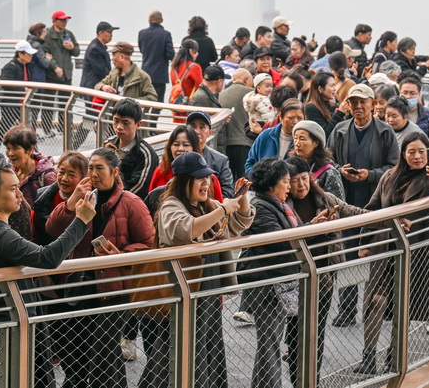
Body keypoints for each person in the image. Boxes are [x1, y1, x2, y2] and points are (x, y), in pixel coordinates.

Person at [0, 162, 97, 387]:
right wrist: (81, 220)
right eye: (12, 189)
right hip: (11, 328)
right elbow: (48, 258)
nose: (20, 195)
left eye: (18, 187)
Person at [46, 148, 155, 388]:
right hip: (80, 286)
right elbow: (52, 229)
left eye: (99, 168)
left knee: (103, 353)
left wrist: (121, 255)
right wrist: (72, 201)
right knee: (80, 354)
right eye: (90, 168)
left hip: (114, 290)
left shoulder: (131, 202)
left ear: (114, 172)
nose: (93, 174)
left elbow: (149, 243)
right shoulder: (84, 198)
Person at [144, 152, 254, 388]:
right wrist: (223, 210)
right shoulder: (171, 205)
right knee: (177, 342)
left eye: (207, 177)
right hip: (183, 290)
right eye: (199, 178)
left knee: (207, 340)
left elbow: (239, 223)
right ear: (184, 181)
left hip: (207, 290)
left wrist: (241, 198)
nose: (206, 182)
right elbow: (188, 229)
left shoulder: (207, 206)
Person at [356, 133, 429, 374]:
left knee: (404, 305)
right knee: (376, 301)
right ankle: (369, 357)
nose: (417, 156)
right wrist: (364, 242)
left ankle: (394, 356)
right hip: (385, 247)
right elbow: (372, 209)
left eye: (422, 151)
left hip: (416, 249)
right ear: (403, 154)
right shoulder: (389, 177)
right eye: (411, 152)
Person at [284, 157, 367, 386]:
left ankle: (313, 381)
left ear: (310, 177)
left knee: (317, 332)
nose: (300, 185)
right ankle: (298, 381)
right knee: (295, 332)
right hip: (295, 278)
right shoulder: (283, 204)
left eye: (304, 179)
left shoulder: (325, 198)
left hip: (323, 277)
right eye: (294, 181)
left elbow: (353, 212)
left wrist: (389, 219)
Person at [326, 83, 399, 327]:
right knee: (347, 254)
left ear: (373, 104)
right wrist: (340, 170)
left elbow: (394, 167)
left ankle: (379, 307)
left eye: (363, 102)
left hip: (375, 203)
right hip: (346, 202)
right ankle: (346, 310)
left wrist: (371, 175)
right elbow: (328, 162)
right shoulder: (339, 130)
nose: (358, 106)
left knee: (378, 256)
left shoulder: (385, 132)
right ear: (347, 105)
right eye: (353, 102)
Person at [237, 157, 298, 388]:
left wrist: (313, 226)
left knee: (270, 343)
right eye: (285, 181)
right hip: (266, 284)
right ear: (272, 183)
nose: (289, 186)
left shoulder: (277, 204)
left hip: (276, 281)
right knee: (270, 343)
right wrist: (312, 231)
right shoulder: (261, 207)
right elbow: (281, 244)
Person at [0, 40, 47, 150]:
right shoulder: (10, 66)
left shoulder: (26, 66)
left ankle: (33, 152)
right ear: (20, 54)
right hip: (11, 104)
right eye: (28, 54)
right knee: (4, 128)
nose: (31, 56)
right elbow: (5, 83)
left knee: (28, 129)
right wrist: (23, 89)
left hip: (22, 104)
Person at [103, 98, 160, 196]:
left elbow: (139, 187)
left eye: (126, 123)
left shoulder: (146, 154)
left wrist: (112, 199)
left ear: (138, 124)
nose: (119, 127)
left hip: (129, 202)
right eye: (116, 121)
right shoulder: (108, 143)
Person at [32, 151, 89, 244]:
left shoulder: (88, 202)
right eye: (61, 172)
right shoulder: (43, 197)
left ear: (84, 178)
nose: (64, 178)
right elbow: (34, 233)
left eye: (71, 175)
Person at [245, 99, 304, 173]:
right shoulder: (266, 136)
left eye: (300, 118)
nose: (295, 122)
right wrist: (258, 178)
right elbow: (250, 164)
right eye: (290, 118)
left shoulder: (305, 141)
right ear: (280, 117)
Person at [3, 125, 56, 207]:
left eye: (15, 148)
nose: (10, 153)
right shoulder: (9, 171)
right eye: (8, 148)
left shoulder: (46, 177)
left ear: (30, 149)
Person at [186, 111, 235, 197]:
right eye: (193, 127)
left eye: (202, 127)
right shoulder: (178, 155)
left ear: (210, 133)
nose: (197, 131)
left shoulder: (220, 160)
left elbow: (228, 191)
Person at [292, 120, 343, 199]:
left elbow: (337, 202)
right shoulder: (291, 165)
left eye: (302, 139)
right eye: (295, 138)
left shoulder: (328, 172)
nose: (297, 143)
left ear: (316, 143)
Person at [219, 68, 255, 180]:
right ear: (246, 79)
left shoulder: (221, 94)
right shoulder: (252, 94)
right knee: (244, 180)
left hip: (227, 144)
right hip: (245, 143)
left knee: (228, 179)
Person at [147, 125, 201, 194]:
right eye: (176, 144)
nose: (180, 149)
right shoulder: (160, 172)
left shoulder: (205, 177)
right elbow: (151, 198)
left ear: (194, 148)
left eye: (186, 145)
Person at [137, 10, 175, 102]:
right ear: (161, 20)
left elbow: (142, 50)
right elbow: (170, 54)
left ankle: (145, 112)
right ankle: (154, 113)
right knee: (158, 102)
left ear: (149, 20)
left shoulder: (142, 33)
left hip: (145, 72)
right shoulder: (166, 34)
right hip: (159, 75)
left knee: (145, 100)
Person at [398, 74, 429, 145]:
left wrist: (422, 143)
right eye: (405, 93)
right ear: (399, 94)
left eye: (412, 93)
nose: (408, 96)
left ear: (419, 95)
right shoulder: (394, 113)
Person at [304, 71, 341, 140]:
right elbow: (324, 134)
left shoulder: (333, 105)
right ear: (320, 89)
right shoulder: (311, 108)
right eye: (331, 86)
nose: (335, 89)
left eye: (335, 85)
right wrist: (340, 114)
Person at [82, 21, 117, 90]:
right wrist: (113, 79)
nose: (111, 35)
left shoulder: (100, 46)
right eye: (109, 32)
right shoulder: (95, 49)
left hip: (96, 86)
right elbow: (101, 71)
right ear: (100, 33)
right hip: (92, 87)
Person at [170, 39, 203, 106]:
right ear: (191, 51)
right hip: (189, 105)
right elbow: (199, 88)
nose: (197, 54)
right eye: (196, 51)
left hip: (176, 104)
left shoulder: (174, 67)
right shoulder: (195, 67)